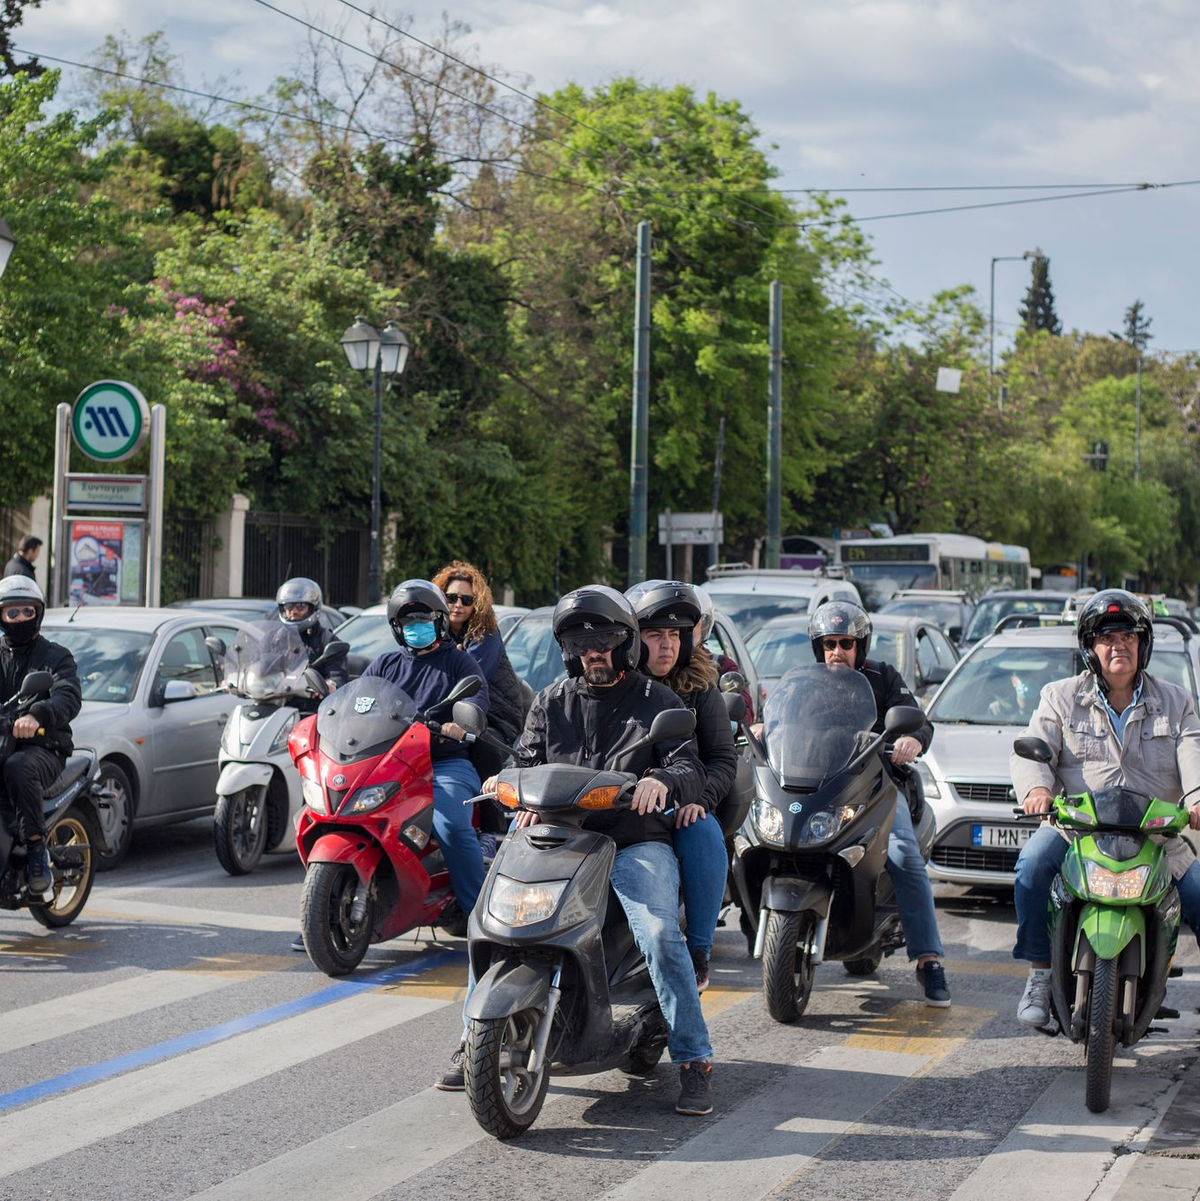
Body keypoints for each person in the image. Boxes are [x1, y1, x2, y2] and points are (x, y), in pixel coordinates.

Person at [437, 585, 716, 1117]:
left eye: (606, 640)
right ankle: (472, 1039)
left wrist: (662, 780)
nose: (594, 652)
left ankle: (693, 1058)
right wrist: (506, 782)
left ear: (625, 645)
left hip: (631, 840)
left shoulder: (660, 703)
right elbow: (524, 756)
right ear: (568, 650)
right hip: (555, 839)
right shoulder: (551, 701)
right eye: (582, 643)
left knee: (658, 932)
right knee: (488, 920)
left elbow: (689, 764)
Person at [1010, 589, 1200, 1026]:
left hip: (1156, 838)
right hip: (1076, 831)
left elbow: (1192, 754)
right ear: (1090, 647)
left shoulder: (1177, 701)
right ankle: (1039, 973)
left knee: (1198, 894)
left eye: (1129, 636)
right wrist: (1037, 791)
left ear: (1143, 644)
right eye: (1107, 637)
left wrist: (1195, 800)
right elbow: (1029, 752)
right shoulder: (1059, 696)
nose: (1120, 646)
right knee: (1031, 867)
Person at [807, 601, 952, 1007]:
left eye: (846, 643)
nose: (837, 651)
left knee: (904, 855)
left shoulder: (882, 676)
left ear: (861, 645)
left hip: (877, 787)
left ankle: (928, 960)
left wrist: (912, 739)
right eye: (829, 643)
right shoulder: (806, 683)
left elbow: (919, 720)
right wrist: (768, 726)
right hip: (817, 789)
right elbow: (781, 720)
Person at [627, 580, 739, 992]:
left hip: (680, 803)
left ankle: (698, 952)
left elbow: (723, 758)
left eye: (675, 635)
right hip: (614, 804)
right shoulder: (615, 683)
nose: (667, 646)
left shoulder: (700, 685)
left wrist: (702, 801)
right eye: (655, 635)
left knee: (703, 830)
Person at [361, 580, 489, 924]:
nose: (415, 628)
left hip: (443, 764)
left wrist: (461, 723)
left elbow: (477, 701)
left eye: (423, 620)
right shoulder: (384, 665)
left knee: (450, 825)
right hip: (388, 765)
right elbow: (360, 702)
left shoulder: (459, 664)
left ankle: (478, 915)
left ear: (440, 622)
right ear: (397, 629)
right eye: (408, 623)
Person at [0, 577, 82, 894]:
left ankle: (36, 850)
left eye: (26, 611)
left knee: (18, 768)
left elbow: (68, 696)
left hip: (44, 748)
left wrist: (37, 715)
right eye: (12, 612)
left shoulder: (55, 657)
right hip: (4, 742)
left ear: (38, 613)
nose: (20, 618)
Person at [431, 560, 526, 773]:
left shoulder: (486, 634)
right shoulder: (433, 634)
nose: (458, 605)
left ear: (477, 604)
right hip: (452, 714)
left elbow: (471, 681)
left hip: (494, 716)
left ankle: (492, 804)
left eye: (466, 600)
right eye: (451, 597)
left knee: (482, 750)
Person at [275, 577, 348, 706]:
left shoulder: (327, 640)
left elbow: (337, 675)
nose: (294, 611)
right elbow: (259, 665)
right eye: (289, 606)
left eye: (300, 606)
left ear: (313, 607)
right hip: (275, 703)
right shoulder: (275, 638)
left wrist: (330, 684)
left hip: (310, 707)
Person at [693, 586, 754, 722]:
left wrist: (729, 724)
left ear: (703, 625)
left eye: (693, 622)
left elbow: (744, 712)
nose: (685, 629)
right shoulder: (650, 663)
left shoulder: (721, 666)